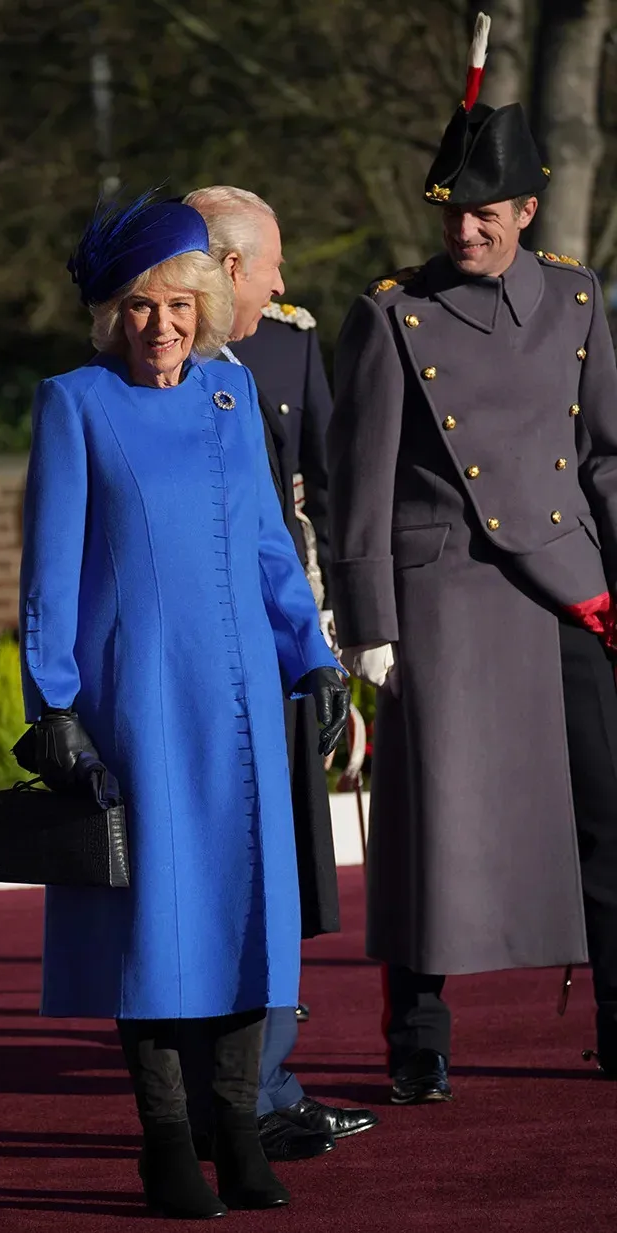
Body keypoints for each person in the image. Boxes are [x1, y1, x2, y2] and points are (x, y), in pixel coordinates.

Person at [18, 193, 349, 1219]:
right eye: (136, 307)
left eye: (175, 305)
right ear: (110, 314)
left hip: (244, 697)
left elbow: (264, 545)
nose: (158, 326)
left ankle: (239, 1133)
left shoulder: (227, 399)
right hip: (140, 702)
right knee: (153, 931)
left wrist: (313, 658)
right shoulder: (75, 403)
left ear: (205, 303)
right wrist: (54, 701)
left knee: (251, 917)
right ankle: (166, 1143)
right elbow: (49, 571)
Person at [327, 11, 617, 1106]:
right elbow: (358, 478)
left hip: (568, 593)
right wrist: (369, 623)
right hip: (442, 592)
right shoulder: (389, 316)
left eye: (486, 216)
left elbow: (604, 459)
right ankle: (417, 1036)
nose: (466, 234)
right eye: (453, 214)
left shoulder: (580, 299)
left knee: (604, 812)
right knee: (433, 826)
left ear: (526, 211)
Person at [185, 185, 378, 1156]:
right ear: (226, 269)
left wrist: (333, 645)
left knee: (289, 875)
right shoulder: (152, 371)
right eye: (270, 266)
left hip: (282, 653)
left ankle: (263, 1082)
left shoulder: (287, 347)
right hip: (197, 667)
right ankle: (235, 1097)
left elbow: (311, 514)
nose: (283, 283)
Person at [232, 299, 335, 644]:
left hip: (291, 576)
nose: (280, 285)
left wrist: (331, 596)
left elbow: (322, 473)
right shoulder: (170, 335)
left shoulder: (289, 338)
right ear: (234, 264)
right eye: (271, 266)